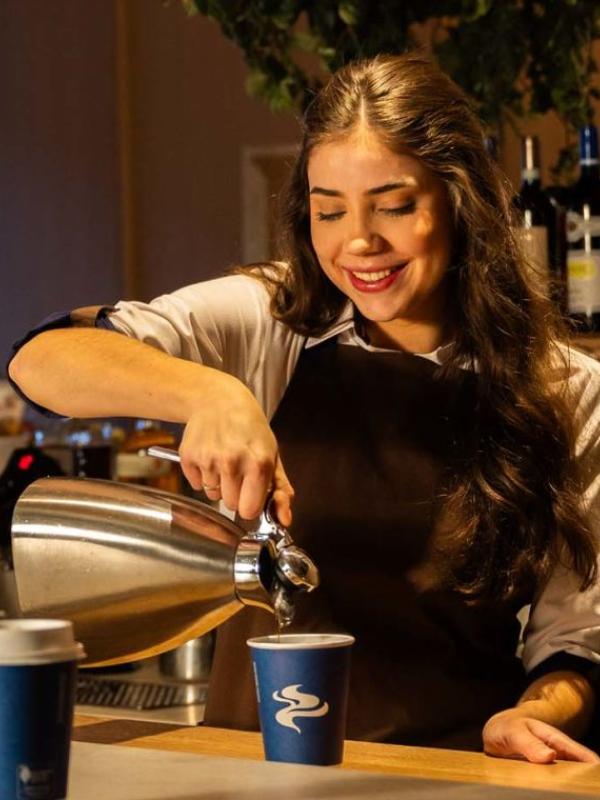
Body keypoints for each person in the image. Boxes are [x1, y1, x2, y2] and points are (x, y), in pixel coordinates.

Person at [7, 53, 600, 763]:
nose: (359, 241)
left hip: (448, 772)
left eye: (395, 204)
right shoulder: (271, 320)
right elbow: (40, 359)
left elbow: (574, 642)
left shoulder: (564, 388)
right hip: (243, 771)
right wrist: (209, 392)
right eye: (329, 209)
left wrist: (532, 714)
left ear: (460, 198)